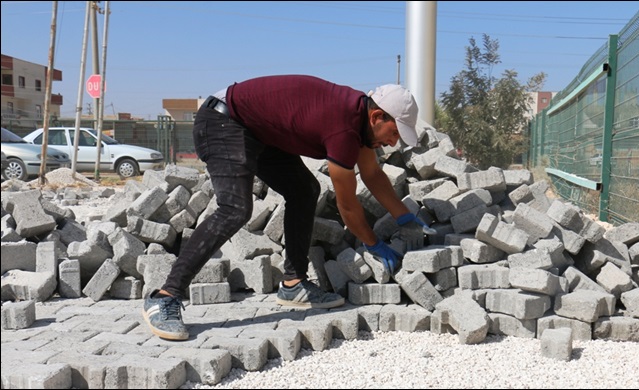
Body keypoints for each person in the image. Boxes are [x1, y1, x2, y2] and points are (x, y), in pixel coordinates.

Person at [142, 74, 435, 340]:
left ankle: (293, 283)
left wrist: (404, 216)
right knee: (235, 208)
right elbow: (347, 205)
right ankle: (165, 296)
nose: (393, 142)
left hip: (261, 133)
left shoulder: (359, 122)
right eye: (394, 132)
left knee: (305, 190)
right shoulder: (344, 128)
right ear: (377, 116)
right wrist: (373, 243)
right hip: (224, 121)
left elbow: (372, 174)